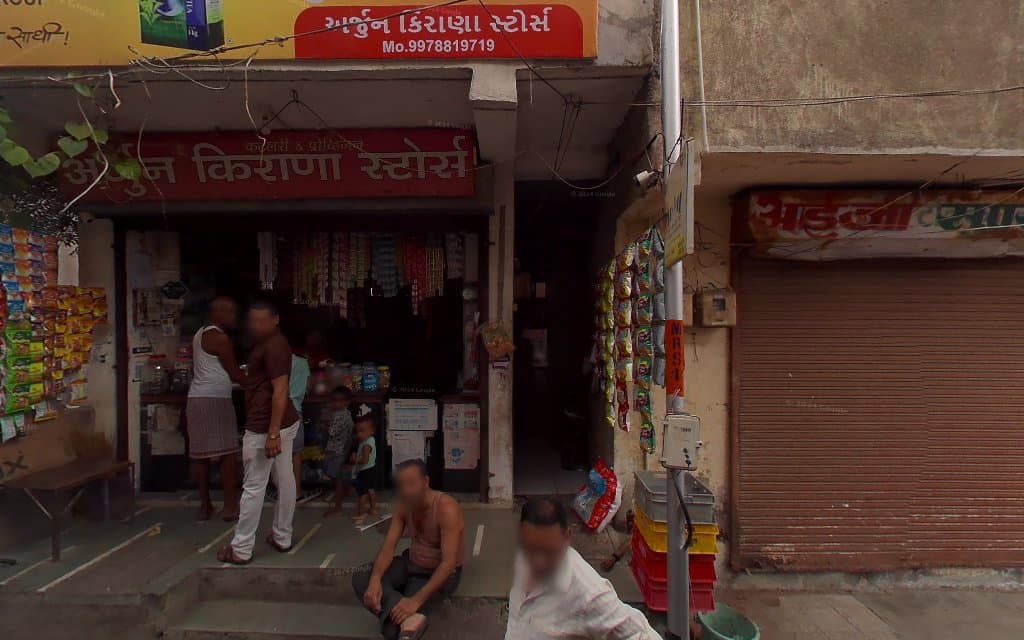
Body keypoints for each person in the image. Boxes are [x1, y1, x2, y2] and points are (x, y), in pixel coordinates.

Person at [505, 498, 661, 640]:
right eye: (531, 549)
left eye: (549, 551)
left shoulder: (589, 593)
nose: (538, 562)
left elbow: (642, 634)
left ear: (567, 538)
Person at [217, 301, 301, 565]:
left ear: (275, 320)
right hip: (282, 422)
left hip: (267, 425)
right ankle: (282, 537)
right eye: (253, 320)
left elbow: (280, 390)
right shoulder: (270, 343)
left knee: (254, 486)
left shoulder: (274, 346)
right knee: (285, 479)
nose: (256, 326)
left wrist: (272, 432)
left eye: (262, 321)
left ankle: (241, 548)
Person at [352, 460, 465, 640]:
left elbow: (448, 564)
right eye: (401, 485)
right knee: (361, 575)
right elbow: (388, 548)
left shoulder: (446, 507)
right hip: (410, 564)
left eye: (411, 483)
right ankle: (406, 614)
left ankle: (401, 614)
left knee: (392, 631)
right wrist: (375, 579)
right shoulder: (404, 506)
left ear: (425, 481)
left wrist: (415, 601)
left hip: (436, 574)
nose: (406, 490)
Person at [185, 297, 245, 522]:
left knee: (201, 455)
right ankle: (230, 506)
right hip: (216, 399)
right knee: (227, 454)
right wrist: (257, 385)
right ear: (215, 312)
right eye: (229, 311)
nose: (233, 316)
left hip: (197, 398)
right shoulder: (220, 338)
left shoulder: (199, 334)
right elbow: (234, 372)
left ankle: (205, 506)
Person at [321, 386, 355, 518]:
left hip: (337, 451)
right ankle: (346, 490)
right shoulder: (346, 413)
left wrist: (323, 424)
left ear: (347, 402)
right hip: (341, 449)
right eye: (334, 400)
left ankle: (338, 507)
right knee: (336, 475)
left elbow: (331, 432)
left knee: (336, 478)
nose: (337, 403)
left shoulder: (339, 415)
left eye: (340, 401)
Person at [289, 351, 312, 503]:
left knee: (279, 451)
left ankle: (282, 490)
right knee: (295, 452)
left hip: (276, 408)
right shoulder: (303, 363)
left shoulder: (275, 359)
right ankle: (296, 490)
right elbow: (309, 386)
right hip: (295, 409)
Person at [351, 408, 378, 524]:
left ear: (372, 430)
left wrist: (355, 459)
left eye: (362, 431)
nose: (359, 434)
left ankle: (361, 513)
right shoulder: (371, 440)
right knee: (371, 490)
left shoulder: (366, 444)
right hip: (371, 469)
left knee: (362, 493)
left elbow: (365, 460)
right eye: (358, 431)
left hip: (365, 471)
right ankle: (373, 509)